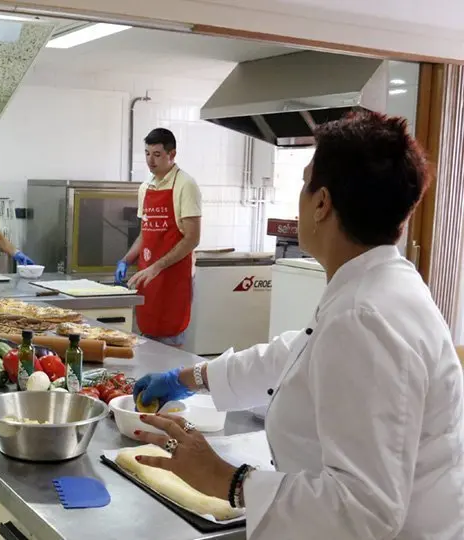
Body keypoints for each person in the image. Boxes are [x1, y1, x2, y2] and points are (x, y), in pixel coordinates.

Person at [131, 112, 464, 539]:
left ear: (322, 203)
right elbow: (293, 355)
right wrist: (190, 376)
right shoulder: (374, 286)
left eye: (305, 182)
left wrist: (228, 480)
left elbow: (365, 512)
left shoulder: (366, 317)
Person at [116, 128, 202, 347]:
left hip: (173, 279)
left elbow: (192, 238)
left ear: (171, 155)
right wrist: (126, 260)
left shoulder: (186, 185)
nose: (150, 160)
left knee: (170, 346)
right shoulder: (146, 187)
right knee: (146, 342)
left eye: (156, 154)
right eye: (146, 153)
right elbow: (146, 233)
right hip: (147, 279)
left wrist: (157, 267)